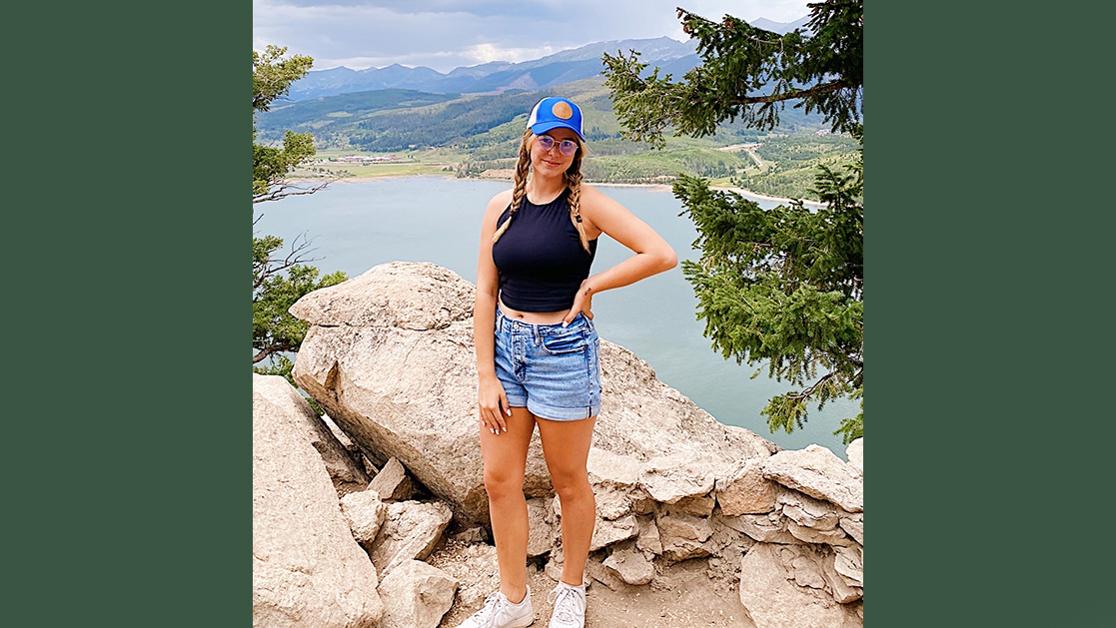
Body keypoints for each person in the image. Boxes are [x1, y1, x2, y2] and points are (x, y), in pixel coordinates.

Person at [462, 96, 677, 628]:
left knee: (569, 480)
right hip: (507, 352)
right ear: (528, 140)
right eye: (546, 139)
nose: (554, 150)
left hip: (562, 353)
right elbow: (485, 294)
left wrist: (593, 284)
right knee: (499, 479)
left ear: (576, 151)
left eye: (566, 143)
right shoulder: (501, 208)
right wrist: (487, 375)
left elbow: (660, 253)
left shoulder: (586, 207)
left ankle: (571, 588)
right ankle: (513, 601)